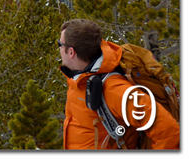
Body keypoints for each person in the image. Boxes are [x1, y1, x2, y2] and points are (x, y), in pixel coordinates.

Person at [58, 19, 179, 150]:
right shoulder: (80, 79)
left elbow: (168, 131)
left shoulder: (113, 89)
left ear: (71, 52)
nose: (58, 48)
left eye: (60, 44)